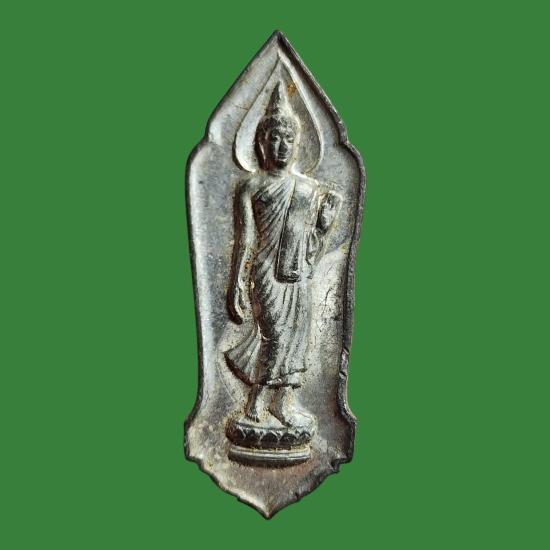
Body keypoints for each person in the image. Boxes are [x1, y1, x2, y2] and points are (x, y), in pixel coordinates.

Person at [226, 81, 340, 427]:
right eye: (274, 138)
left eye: (289, 138)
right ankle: (256, 400)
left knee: (296, 336)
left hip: (297, 273)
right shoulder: (250, 187)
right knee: (275, 333)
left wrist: (322, 226)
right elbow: (245, 238)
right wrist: (236, 283)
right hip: (265, 271)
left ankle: (283, 403)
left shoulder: (307, 189)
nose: (281, 146)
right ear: (261, 143)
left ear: (298, 143)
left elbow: (312, 244)